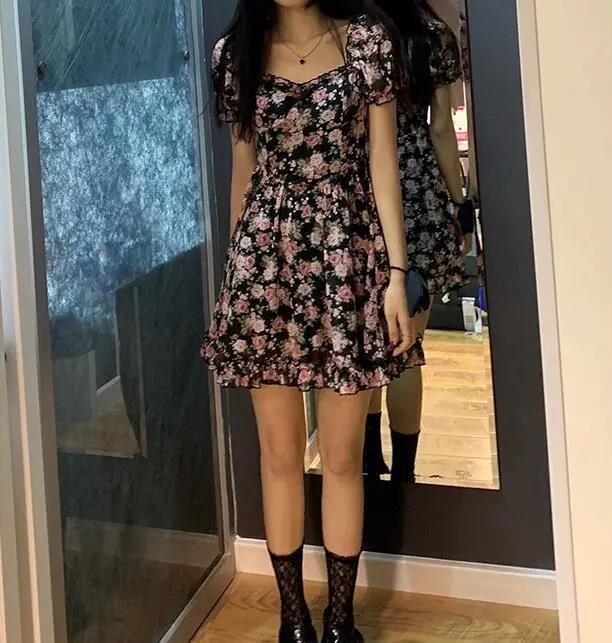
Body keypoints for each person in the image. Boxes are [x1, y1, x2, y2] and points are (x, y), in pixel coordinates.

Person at [201, 1, 424, 641]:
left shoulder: (367, 42)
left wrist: (395, 274)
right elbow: (244, 174)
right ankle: (292, 620)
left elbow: (383, 163)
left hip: (347, 261)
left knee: (344, 456)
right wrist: (236, 282)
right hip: (265, 267)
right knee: (279, 455)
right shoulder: (234, 56)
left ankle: (340, 621)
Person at [364, 0, 469, 483]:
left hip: (362, 191)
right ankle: (405, 478)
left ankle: (368, 462)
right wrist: (459, 198)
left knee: (366, 342)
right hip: (419, 195)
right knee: (407, 348)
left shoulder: (351, 31)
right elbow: (442, 128)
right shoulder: (433, 34)